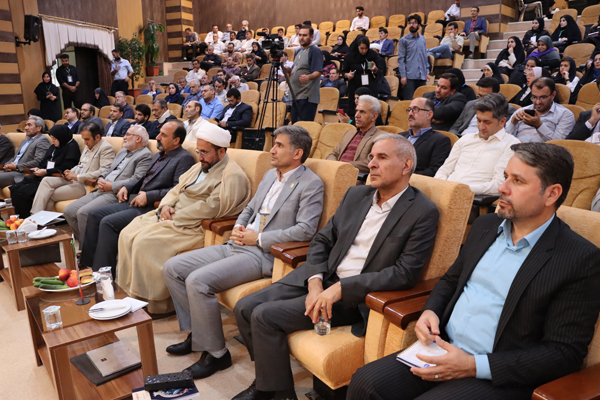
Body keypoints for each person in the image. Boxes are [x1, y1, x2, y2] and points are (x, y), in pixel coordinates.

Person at [348, 142, 600, 400]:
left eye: (517, 181)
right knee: (365, 383)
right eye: (505, 177)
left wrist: (472, 365)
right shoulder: (486, 226)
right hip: (443, 347)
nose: (502, 188)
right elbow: (450, 280)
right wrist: (430, 310)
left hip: (498, 372)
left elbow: (564, 352)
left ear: (551, 194)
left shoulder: (578, 258)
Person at [232, 132, 440, 400]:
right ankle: (268, 379)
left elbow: (405, 273)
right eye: (371, 157)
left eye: (382, 157)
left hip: (354, 296)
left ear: (406, 165)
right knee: (244, 307)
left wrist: (341, 288)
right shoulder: (357, 194)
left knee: (264, 316)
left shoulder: (422, 211)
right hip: (322, 276)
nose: (371, 163)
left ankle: (274, 393)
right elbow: (322, 239)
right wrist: (315, 281)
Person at [163, 125, 324, 379]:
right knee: (172, 268)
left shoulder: (311, 183)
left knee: (198, 281)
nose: (272, 150)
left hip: (263, 254)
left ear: (297, 153)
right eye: (274, 144)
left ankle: (217, 354)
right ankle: (200, 334)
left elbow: (306, 230)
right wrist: (239, 227)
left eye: (279, 145)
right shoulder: (270, 175)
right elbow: (250, 208)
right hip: (237, 243)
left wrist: (257, 238)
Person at [116, 128, 252, 315]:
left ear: (221, 151)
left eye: (205, 152)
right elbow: (176, 189)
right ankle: (132, 294)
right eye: (198, 151)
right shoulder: (200, 166)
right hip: (171, 213)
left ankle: (156, 305)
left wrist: (174, 216)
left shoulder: (232, 176)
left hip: (193, 225)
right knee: (127, 233)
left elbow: (211, 207)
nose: (200, 157)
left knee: (144, 242)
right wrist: (166, 205)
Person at [80, 120, 195, 272]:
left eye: (163, 135)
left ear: (176, 140)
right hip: (135, 198)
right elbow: (142, 179)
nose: (157, 137)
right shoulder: (159, 155)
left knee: (108, 223)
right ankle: (88, 265)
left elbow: (177, 190)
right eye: (159, 133)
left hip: (152, 206)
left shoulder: (184, 159)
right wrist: (126, 187)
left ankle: (103, 274)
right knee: (94, 215)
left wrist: (149, 196)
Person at [63, 125, 152, 244]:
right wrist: (100, 178)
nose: (124, 138)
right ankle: (87, 243)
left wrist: (112, 186)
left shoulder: (145, 155)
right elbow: (109, 168)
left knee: (83, 213)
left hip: (115, 193)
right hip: (100, 189)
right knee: (68, 211)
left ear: (138, 138)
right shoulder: (123, 151)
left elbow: (137, 179)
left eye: (127, 134)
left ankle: (86, 250)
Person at [435, 93, 521, 196]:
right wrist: (440, 186)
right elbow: (444, 170)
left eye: (487, 122)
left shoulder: (511, 145)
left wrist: (460, 189)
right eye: (478, 120)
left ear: (502, 122)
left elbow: (499, 184)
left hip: (474, 199)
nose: (481, 126)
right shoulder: (465, 139)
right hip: (444, 192)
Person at [31, 121, 116, 215]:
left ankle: (40, 219)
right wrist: (69, 172)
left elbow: (104, 171)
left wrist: (78, 177)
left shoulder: (106, 148)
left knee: (50, 193)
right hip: (74, 179)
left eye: (87, 139)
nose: (85, 142)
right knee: (46, 180)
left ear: (97, 137)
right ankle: (34, 216)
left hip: (85, 184)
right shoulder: (88, 145)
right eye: (83, 139)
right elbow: (80, 165)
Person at [10, 125, 80, 217]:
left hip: (56, 177)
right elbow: (44, 161)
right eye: (52, 138)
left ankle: (28, 217)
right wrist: (38, 168)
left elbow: (66, 167)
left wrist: (46, 171)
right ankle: (19, 218)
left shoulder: (72, 147)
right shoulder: (54, 147)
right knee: (15, 188)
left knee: (23, 191)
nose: (53, 141)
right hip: (43, 175)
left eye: (55, 138)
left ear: (61, 137)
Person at [327, 95, 385, 174]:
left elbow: (370, 162)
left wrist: (342, 166)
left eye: (362, 112)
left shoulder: (381, 137)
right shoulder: (349, 133)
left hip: (354, 177)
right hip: (334, 172)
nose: (356, 115)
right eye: (356, 111)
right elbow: (333, 154)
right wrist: (333, 165)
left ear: (374, 116)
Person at [506, 77, 575, 142]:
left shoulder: (565, 115)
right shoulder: (521, 111)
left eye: (543, 97)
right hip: (515, 146)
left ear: (553, 95)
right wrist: (513, 123)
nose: (538, 102)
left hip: (542, 149)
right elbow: (504, 138)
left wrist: (539, 125)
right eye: (534, 97)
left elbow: (558, 143)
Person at [400, 97, 451, 176]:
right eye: (409, 109)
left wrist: (402, 176)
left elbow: (434, 171)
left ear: (429, 115)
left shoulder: (440, 140)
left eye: (416, 109)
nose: (410, 113)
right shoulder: (399, 136)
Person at [450, 77, 517, 136]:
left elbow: (504, 132)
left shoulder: (507, 109)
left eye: (486, 97)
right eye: (479, 96)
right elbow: (455, 127)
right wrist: (454, 137)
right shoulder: (471, 104)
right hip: (462, 138)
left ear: (497, 94)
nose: (482, 100)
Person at [0, 116, 50, 188]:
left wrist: (16, 167)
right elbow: (15, 157)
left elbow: (38, 161)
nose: (26, 128)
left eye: (29, 125)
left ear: (39, 128)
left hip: (22, 173)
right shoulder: (25, 140)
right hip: (11, 171)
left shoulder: (42, 140)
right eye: (26, 125)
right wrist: (7, 165)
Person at [289, 25, 323, 123]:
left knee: (304, 127)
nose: (301, 38)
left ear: (311, 37)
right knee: (295, 127)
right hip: (296, 96)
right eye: (300, 35)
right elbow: (297, 70)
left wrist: (308, 77)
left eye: (304, 35)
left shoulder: (314, 50)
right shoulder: (299, 51)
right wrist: (288, 70)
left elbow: (318, 71)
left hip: (307, 97)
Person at [343, 35, 381, 118]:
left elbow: (380, 71)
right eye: (361, 48)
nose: (364, 51)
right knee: (354, 108)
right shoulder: (350, 56)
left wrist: (375, 69)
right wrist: (348, 75)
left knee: (371, 108)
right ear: (357, 47)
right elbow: (343, 72)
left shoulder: (372, 55)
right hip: (355, 85)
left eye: (366, 48)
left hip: (369, 85)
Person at [398, 14, 428, 100]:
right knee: (409, 101)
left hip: (422, 75)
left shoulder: (422, 39)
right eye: (410, 23)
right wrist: (403, 75)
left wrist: (427, 71)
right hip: (409, 76)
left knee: (422, 101)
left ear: (419, 25)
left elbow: (425, 56)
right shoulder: (403, 40)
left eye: (414, 23)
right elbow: (401, 59)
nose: (411, 25)